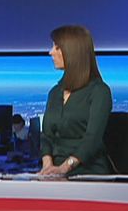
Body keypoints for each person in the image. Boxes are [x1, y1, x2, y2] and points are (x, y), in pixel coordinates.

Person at [40, 24, 113, 177]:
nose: (50, 52)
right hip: (55, 173)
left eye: (57, 47)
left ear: (72, 52)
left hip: (88, 172)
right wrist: (48, 166)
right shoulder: (54, 93)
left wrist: (64, 168)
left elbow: (92, 140)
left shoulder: (99, 92)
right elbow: (46, 137)